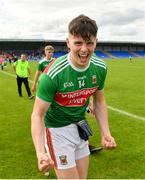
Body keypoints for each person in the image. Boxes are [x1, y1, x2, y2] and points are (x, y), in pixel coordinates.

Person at [31, 14, 117, 179]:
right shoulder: (53, 74)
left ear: (96, 42)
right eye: (78, 43)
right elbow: (37, 115)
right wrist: (40, 152)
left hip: (80, 127)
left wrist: (105, 133)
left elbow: (99, 101)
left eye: (89, 43)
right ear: (68, 43)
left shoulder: (100, 67)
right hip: (57, 132)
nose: (84, 49)